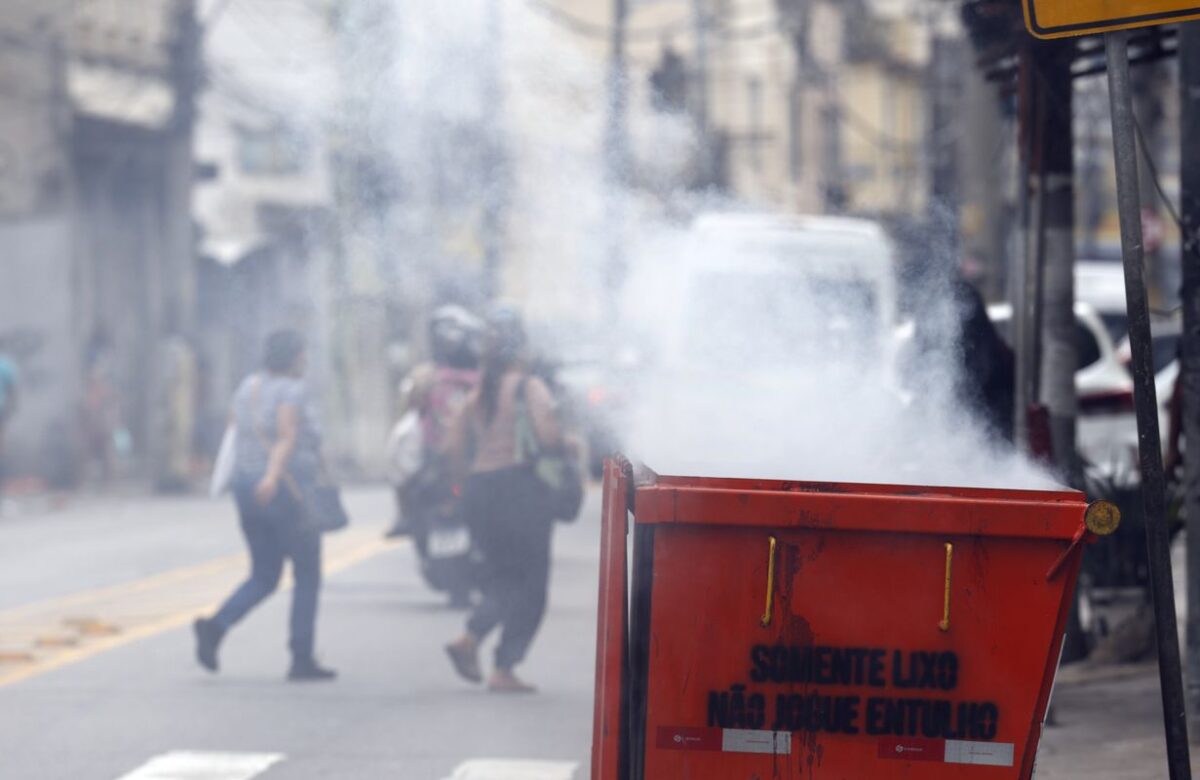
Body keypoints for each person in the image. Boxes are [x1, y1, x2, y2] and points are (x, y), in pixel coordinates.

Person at [193, 329, 335, 681]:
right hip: (283, 492)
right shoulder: (292, 390)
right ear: (294, 357)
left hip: (246, 488)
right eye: (303, 353)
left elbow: (235, 432)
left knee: (264, 573)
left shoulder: (248, 388)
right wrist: (272, 476)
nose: (306, 359)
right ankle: (301, 658)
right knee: (307, 573)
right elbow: (287, 436)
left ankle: (216, 627)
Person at [443, 307, 565, 693]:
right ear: (521, 348)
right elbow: (546, 438)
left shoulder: (478, 393)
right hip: (519, 490)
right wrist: (569, 445)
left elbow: (452, 447)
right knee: (530, 585)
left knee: (502, 576)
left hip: (480, 489)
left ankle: (473, 639)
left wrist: (464, 486)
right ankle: (501, 664)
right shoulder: (529, 387)